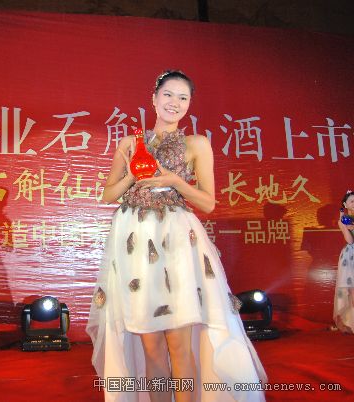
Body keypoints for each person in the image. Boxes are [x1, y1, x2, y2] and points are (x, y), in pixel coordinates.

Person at [86, 70, 267, 402]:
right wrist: (131, 175)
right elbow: (108, 195)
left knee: (179, 346)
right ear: (154, 99)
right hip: (135, 244)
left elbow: (208, 202)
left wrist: (175, 181)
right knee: (151, 347)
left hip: (176, 241)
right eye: (168, 95)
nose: (175, 103)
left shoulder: (196, 144)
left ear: (189, 105)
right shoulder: (129, 143)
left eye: (183, 98)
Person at [333, 190, 354, 333]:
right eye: (352, 201)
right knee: (351, 291)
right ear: (345, 205)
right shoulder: (344, 220)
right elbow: (350, 240)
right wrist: (344, 225)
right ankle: (351, 323)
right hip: (351, 256)